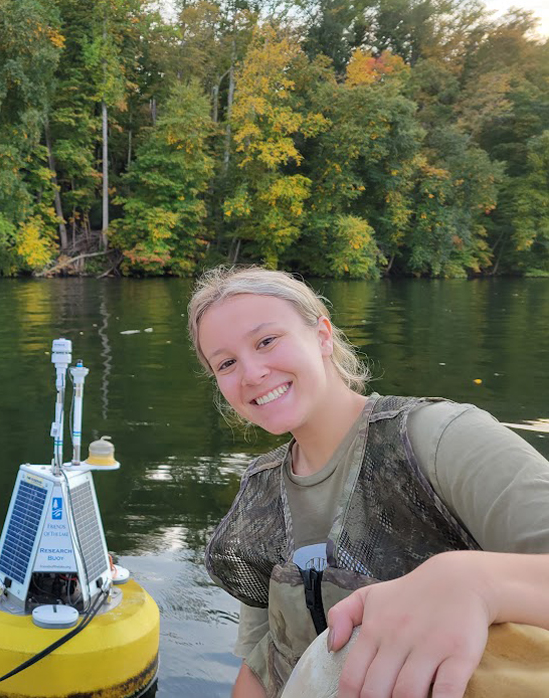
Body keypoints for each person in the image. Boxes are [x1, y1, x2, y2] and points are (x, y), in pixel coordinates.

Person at [187, 265, 549, 698]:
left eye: (266, 341)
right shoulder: (257, 501)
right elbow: (263, 664)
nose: (250, 373)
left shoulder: (440, 439)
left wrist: (476, 581)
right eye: (226, 363)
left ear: (321, 335)